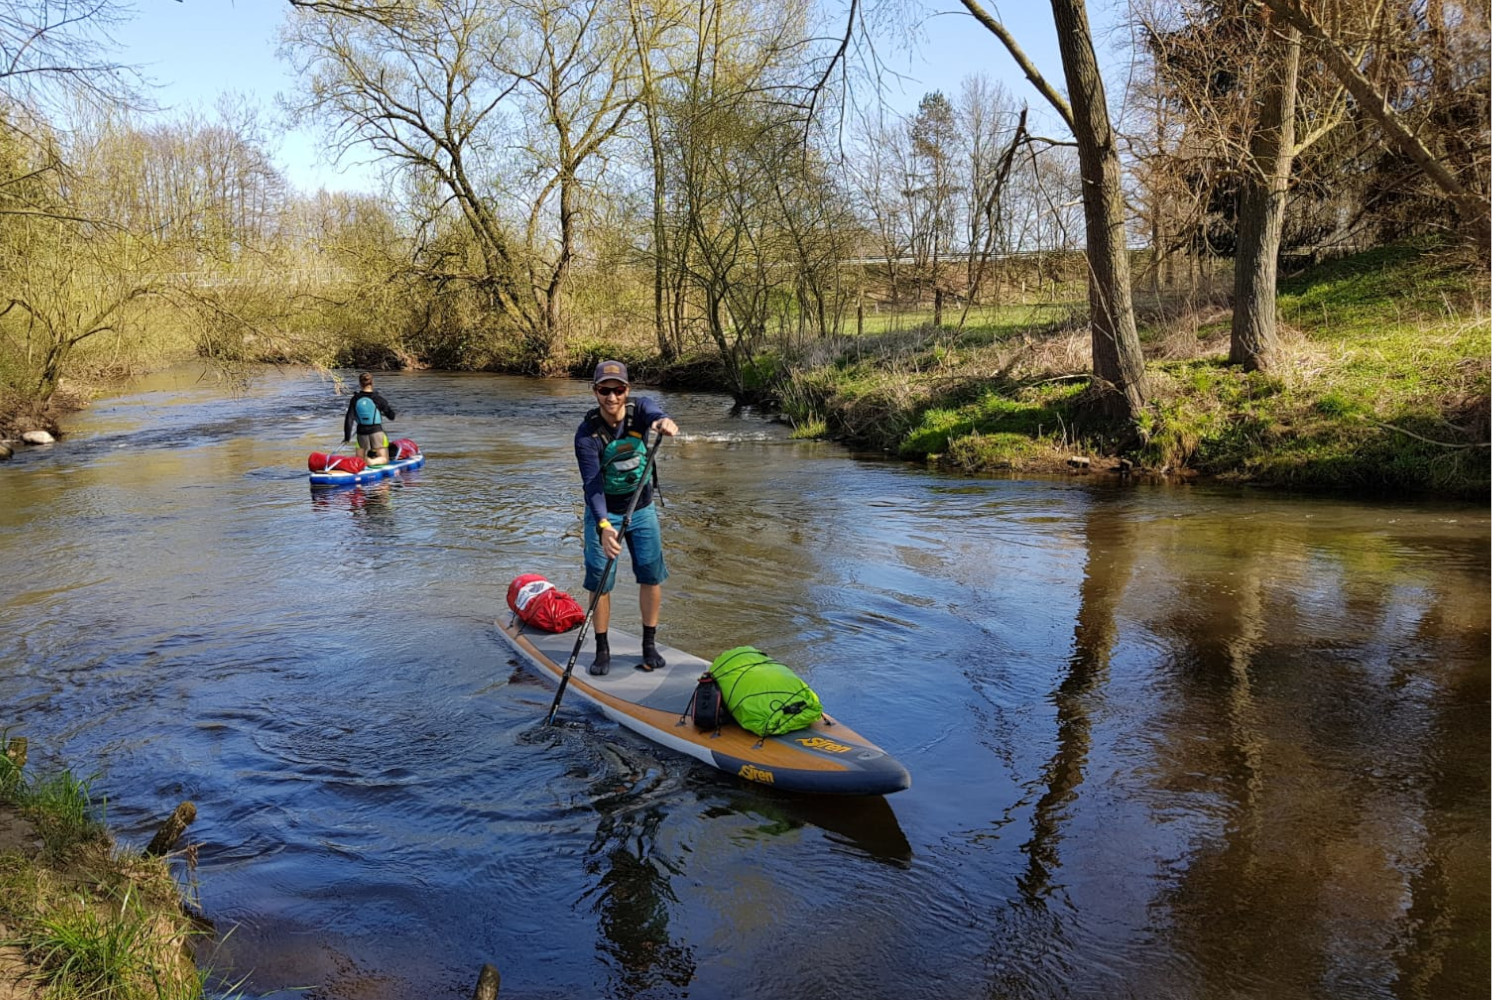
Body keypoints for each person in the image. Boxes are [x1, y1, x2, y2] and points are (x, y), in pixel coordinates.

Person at [574, 360, 679, 675]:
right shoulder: (587, 435)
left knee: (650, 574)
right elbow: (592, 487)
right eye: (604, 390)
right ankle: (602, 649)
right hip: (605, 514)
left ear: (626, 390)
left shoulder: (640, 412)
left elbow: (656, 413)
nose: (612, 397)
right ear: (595, 392)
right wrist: (604, 527)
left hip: (642, 509)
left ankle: (649, 645)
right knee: (600, 579)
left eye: (618, 390)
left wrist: (663, 423)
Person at [343, 372, 398, 464]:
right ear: (372, 383)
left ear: (360, 384)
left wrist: (347, 437)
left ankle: (362, 462)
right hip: (376, 432)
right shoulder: (378, 399)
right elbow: (391, 416)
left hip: (361, 433)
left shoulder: (355, 399)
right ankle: (369, 461)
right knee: (384, 459)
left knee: (359, 459)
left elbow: (349, 419)